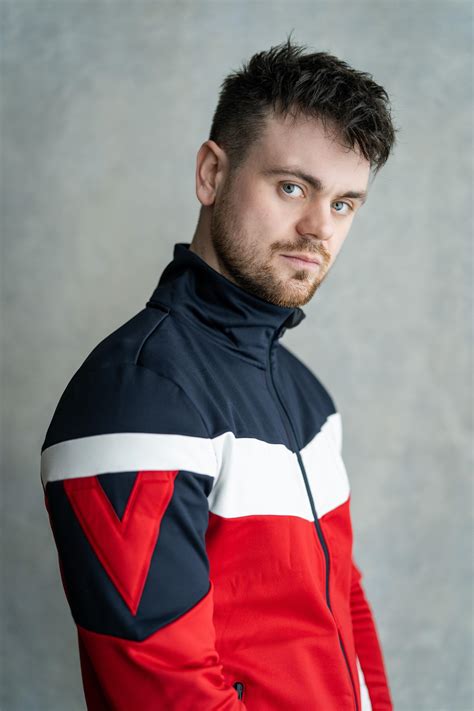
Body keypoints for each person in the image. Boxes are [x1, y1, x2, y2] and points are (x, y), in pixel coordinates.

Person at [41, 36, 398, 711]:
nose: (319, 228)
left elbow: (346, 609)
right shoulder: (136, 397)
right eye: (292, 187)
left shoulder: (308, 397)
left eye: (344, 204)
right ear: (211, 174)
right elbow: (165, 690)